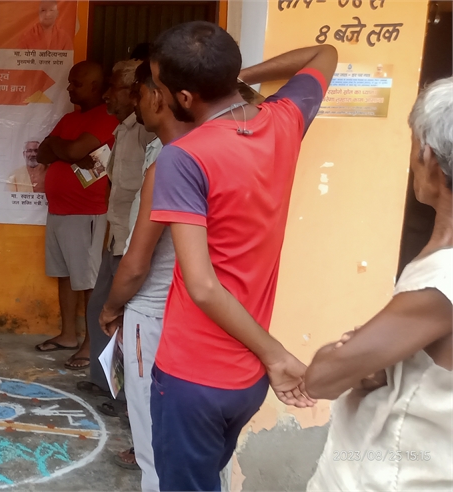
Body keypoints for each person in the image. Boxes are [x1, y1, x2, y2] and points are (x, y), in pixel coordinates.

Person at [146, 22, 337, 490]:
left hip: (193, 375)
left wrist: (277, 356)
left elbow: (203, 286)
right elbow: (326, 54)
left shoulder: (183, 157)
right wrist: (232, 77)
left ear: (184, 97)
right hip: (246, 380)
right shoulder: (285, 121)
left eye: (160, 87)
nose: (158, 95)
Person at [305, 78, 453, 491]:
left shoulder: (441, 283)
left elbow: (322, 377)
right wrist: (378, 363)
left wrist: (349, 355)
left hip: (388, 476)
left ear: (428, 157)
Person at [96, 61, 193, 488]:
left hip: (151, 311)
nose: (135, 102)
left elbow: (137, 263)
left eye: (139, 93)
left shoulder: (169, 164)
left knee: (152, 433)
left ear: (158, 98)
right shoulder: (213, 152)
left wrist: (111, 308)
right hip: (189, 310)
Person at [67, 59, 155, 371]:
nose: (106, 95)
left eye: (113, 88)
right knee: (99, 308)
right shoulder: (123, 128)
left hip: (132, 240)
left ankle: (122, 386)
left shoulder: (146, 133)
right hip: (116, 236)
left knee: (121, 314)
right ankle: (103, 381)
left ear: (134, 92)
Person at [33, 61, 118, 355]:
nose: (69, 88)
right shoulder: (70, 119)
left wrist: (63, 149)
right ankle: (68, 335)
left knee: (88, 280)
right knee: (66, 275)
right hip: (59, 210)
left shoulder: (106, 117)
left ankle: (91, 344)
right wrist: (65, 149)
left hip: (87, 212)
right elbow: (43, 152)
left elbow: (71, 150)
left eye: (76, 84)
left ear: (95, 87)